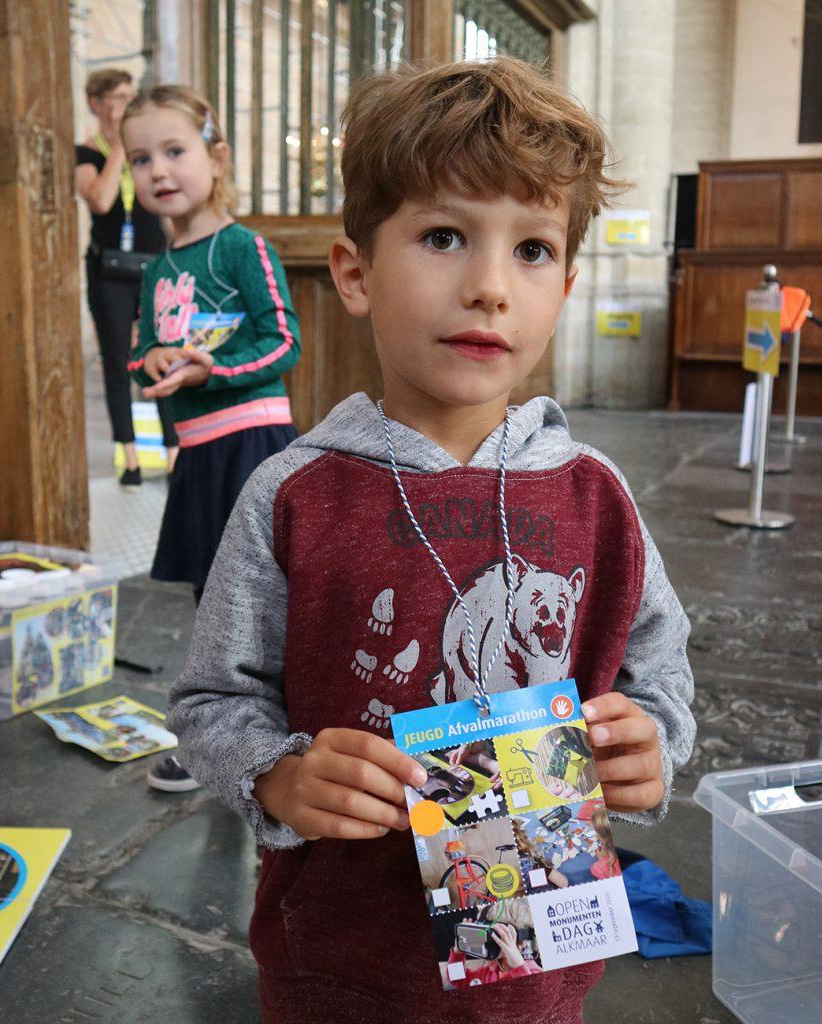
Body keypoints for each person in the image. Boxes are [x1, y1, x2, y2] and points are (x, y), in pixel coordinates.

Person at [167, 57, 696, 1023]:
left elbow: (659, 673)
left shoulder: (596, 497)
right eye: (445, 235)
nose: (491, 286)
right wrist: (277, 774)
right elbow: (212, 697)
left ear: (566, 284)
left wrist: (651, 737)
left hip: (536, 960)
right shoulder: (294, 493)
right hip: (335, 961)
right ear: (356, 271)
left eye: (531, 249)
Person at [119, 86, 301, 791]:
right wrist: (156, 362)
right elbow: (140, 351)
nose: (158, 171)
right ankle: (217, 742)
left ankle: (281, 733)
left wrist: (212, 368)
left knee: (263, 594)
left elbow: (283, 340)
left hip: (252, 445)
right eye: (140, 159)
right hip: (196, 451)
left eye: (174, 151)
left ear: (216, 157)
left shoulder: (241, 247)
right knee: (208, 595)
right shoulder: (157, 269)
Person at [74, 68, 179, 485]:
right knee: (117, 362)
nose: (123, 106)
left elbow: (164, 201)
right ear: (97, 104)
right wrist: (118, 145)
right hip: (108, 271)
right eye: (116, 98)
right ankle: (130, 457)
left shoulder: (144, 152)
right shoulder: (87, 153)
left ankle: (174, 455)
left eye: (129, 97)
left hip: (153, 265)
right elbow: (99, 200)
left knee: (163, 357)